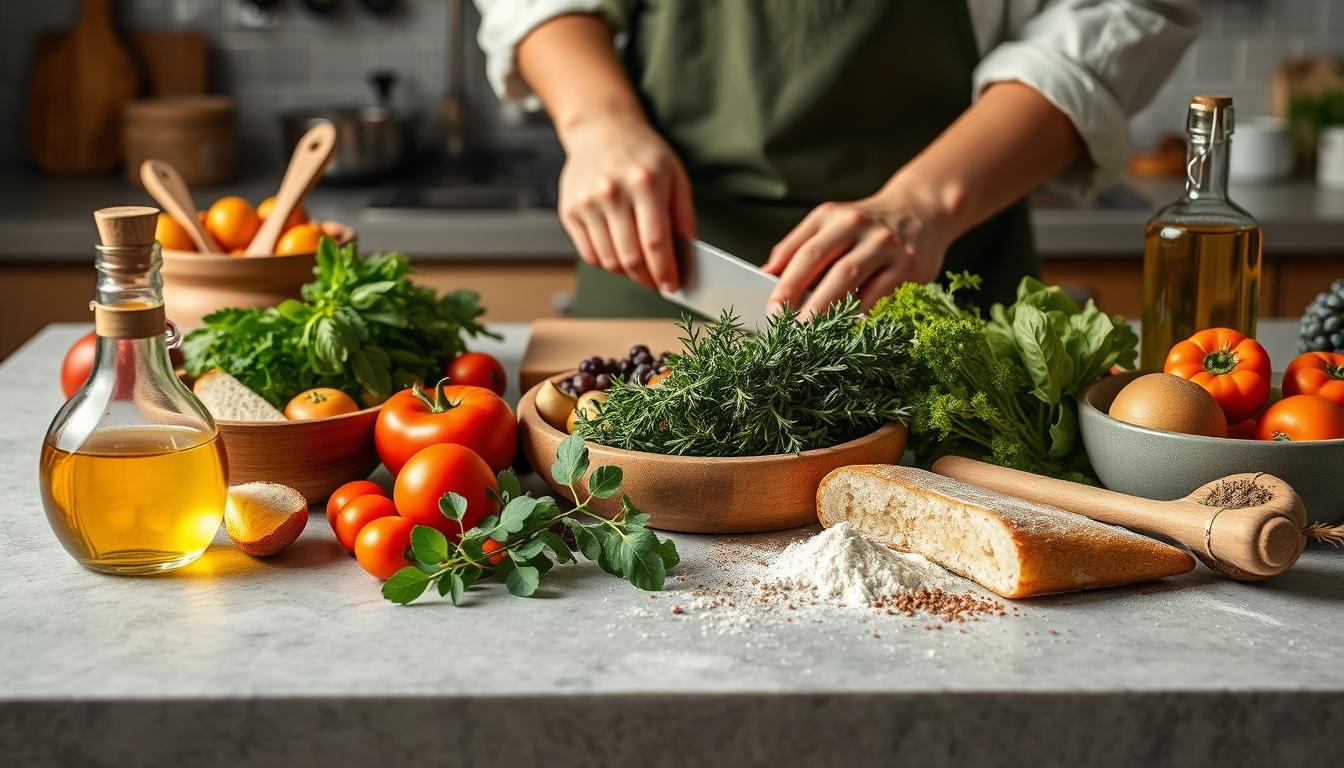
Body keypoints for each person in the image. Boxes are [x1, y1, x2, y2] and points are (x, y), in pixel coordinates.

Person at [476, 1, 1198, 316]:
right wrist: (597, 121)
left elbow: (1124, 12)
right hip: (667, 270)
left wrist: (923, 206)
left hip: (940, 276)